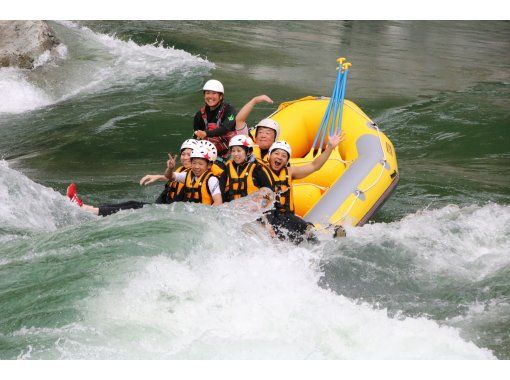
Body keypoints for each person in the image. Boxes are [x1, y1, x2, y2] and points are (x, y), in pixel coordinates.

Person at [67, 139, 200, 216]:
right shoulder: (182, 170)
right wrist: (165, 172)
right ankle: (89, 208)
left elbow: (183, 178)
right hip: (163, 208)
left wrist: (160, 176)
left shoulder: (195, 174)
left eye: (189, 154)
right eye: (183, 154)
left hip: (169, 213)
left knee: (134, 206)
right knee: (131, 203)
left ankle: (87, 209)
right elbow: (172, 177)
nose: (185, 157)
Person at [263, 132, 345, 244]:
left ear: (287, 161)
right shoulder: (259, 173)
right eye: (276, 153)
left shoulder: (290, 172)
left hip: (287, 217)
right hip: (268, 218)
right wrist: (267, 225)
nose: (279, 157)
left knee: (308, 232)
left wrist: (330, 147)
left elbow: (314, 166)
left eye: (284, 155)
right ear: (269, 156)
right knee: (290, 238)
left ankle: (330, 237)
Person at [193, 79, 243, 160]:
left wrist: (206, 133)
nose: (210, 96)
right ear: (204, 96)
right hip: (210, 154)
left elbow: (225, 128)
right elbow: (196, 136)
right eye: (207, 93)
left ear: (221, 96)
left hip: (231, 152)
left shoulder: (229, 110)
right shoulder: (199, 115)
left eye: (214, 93)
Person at [165, 141, 223, 206]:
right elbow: (169, 176)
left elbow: (218, 202)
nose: (196, 167)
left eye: (200, 164)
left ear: (209, 165)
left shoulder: (212, 180)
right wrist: (170, 169)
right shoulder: (187, 175)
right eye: (194, 163)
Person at [219, 135, 272, 202]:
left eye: (239, 151)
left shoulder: (256, 168)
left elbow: (268, 190)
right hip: (232, 208)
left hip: (252, 209)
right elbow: (220, 191)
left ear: (249, 151)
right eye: (233, 151)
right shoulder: (227, 169)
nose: (235, 154)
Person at [235, 94, 278, 163]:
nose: (263, 136)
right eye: (260, 132)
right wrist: (254, 101)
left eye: (267, 133)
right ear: (256, 136)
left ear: (275, 138)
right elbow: (239, 120)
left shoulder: (279, 154)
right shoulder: (248, 143)